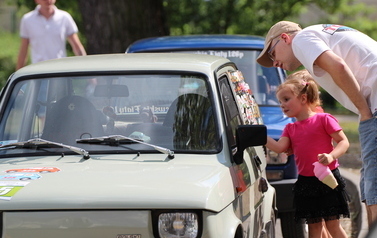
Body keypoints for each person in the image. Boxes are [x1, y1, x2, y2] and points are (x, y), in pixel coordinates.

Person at [256, 20, 377, 228]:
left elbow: (338, 65)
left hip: (373, 109)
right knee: (369, 185)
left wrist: (365, 112)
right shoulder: (321, 32)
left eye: (272, 54)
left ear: (285, 38)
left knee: (374, 187)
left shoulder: (302, 39)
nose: (274, 62)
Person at [266, 70, 350, 238]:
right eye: (281, 101)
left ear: (303, 99)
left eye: (286, 99)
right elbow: (279, 147)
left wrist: (331, 156)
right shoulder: (290, 128)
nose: (282, 105)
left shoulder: (324, 119)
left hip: (327, 178)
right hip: (306, 183)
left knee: (333, 226)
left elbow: (343, 142)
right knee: (314, 228)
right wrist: (260, 134)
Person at [16, 0, 86, 70]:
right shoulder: (28, 20)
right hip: (37, 72)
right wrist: (17, 76)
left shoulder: (64, 17)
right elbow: (23, 50)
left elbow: (77, 46)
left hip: (60, 70)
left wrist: (87, 70)